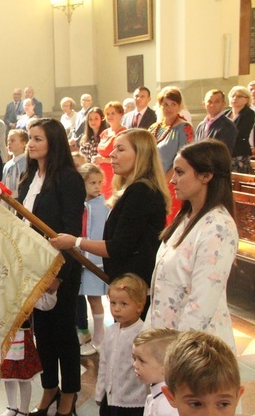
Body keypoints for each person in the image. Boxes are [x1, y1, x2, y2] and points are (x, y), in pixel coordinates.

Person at [51, 129, 171, 309]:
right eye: (113, 148)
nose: (112, 155)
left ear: (141, 154)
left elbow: (118, 246)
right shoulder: (135, 189)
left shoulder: (141, 191)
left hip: (135, 285)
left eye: (121, 150)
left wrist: (75, 241)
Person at [18, 118, 85, 416]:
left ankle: (69, 392)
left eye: (38, 139)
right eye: (30, 138)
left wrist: (58, 276)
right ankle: (49, 388)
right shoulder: (28, 178)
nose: (30, 144)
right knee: (42, 335)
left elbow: (70, 229)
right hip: (32, 267)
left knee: (63, 334)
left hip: (60, 269)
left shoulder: (68, 179)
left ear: (53, 143)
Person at [146, 140, 238, 350]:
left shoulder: (218, 227)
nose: (173, 180)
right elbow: (161, 287)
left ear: (206, 176)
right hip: (166, 340)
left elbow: (201, 305)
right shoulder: (186, 217)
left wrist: (176, 353)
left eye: (180, 172)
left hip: (195, 349)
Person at [95, 273, 149, 416]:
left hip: (135, 399)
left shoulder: (143, 333)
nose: (116, 309)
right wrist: (100, 391)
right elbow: (105, 363)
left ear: (139, 305)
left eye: (124, 304)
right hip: (115, 395)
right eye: (113, 303)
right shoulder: (110, 331)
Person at [76, 163, 110, 357]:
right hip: (80, 258)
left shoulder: (102, 207)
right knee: (86, 298)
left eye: (99, 182)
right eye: (92, 183)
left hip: (94, 260)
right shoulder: (79, 205)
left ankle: (99, 339)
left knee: (95, 300)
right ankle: (89, 334)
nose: (97, 186)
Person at [148, 86, 194, 223]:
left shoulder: (184, 128)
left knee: (170, 220)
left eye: (173, 104)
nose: (169, 108)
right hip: (152, 181)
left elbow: (184, 159)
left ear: (179, 106)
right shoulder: (154, 128)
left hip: (172, 182)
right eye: (165, 104)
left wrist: (164, 181)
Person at [0, 319, 43, 416]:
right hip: (3, 329)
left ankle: (24, 410)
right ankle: (12, 406)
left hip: (21, 329)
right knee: (7, 372)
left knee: (23, 374)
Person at [93, 101, 127, 199]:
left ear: (120, 114)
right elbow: (101, 151)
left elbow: (123, 157)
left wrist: (104, 160)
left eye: (113, 113)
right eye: (107, 114)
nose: (110, 116)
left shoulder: (124, 133)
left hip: (115, 173)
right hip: (102, 174)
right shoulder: (104, 132)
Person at [196, 90, 237, 155]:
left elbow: (224, 153)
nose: (212, 105)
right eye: (209, 102)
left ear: (223, 104)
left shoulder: (228, 125)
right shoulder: (201, 126)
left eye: (217, 102)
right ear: (204, 104)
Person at [224, 85, 255, 173]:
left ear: (246, 99)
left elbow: (242, 132)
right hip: (225, 153)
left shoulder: (248, 113)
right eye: (232, 96)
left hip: (239, 152)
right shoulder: (226, 113)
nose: (235, 98)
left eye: (239, 96)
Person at [1, 129, 28, 198]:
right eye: (8, 141)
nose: (9, 143)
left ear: (23, 143)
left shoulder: (27, 163)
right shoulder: (7, 165)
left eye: (12, 140)